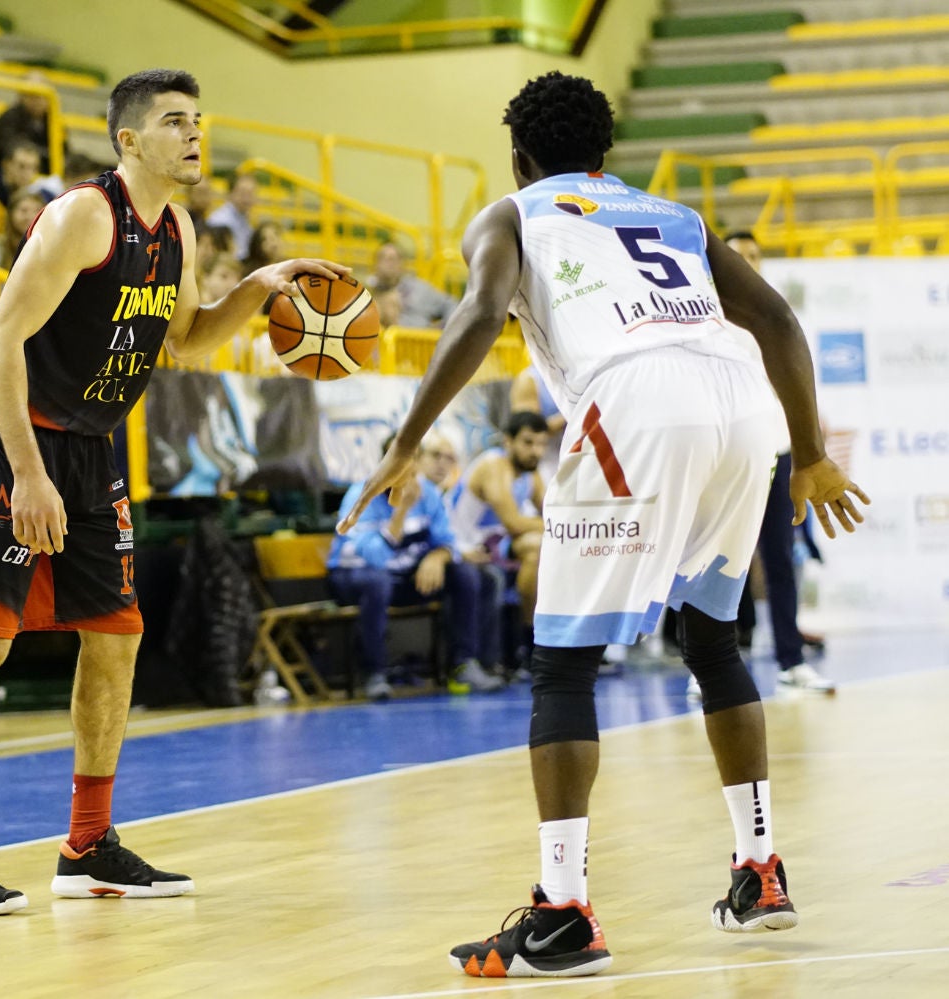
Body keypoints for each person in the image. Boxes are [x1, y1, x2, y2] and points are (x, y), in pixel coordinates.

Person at [340, 71, 868, 978]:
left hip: (633, 401)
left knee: (563, 662)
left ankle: (563, 913)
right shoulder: (675, 216)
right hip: (741, 405)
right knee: (714, 640)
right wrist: (811, 453)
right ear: (606, 151)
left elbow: (473, 315)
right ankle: (760, 872)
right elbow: (777, 317)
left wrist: (405, 439)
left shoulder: (509, 215)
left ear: (519, 155)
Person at [0, 67, 347, 916]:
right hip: (18, 440)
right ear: (128, 141)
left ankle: (87, 845)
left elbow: (185, 341)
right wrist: (28, 472)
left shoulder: (177, 227)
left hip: (92, 448)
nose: (195, 135)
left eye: (199, 120)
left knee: (116, 637)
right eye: (176, 121)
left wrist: (256, 290)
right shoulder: (84, 215)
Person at [723, 230, 832, 693]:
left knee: (780, 558)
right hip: (726, 455)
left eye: (754, 255)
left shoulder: (775, 317)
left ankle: (791, 661)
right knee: (715, 561)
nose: (747, 261)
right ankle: (711, 665)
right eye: (737, 255)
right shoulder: (702, 316)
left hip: (779, 455)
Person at [327, 438, 476, 701]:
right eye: (398, 462)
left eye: (412, 460)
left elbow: (448, 542)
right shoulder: (362, 494)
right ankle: (375, 673)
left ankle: (463, 665)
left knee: (465, 574)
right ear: (386, 464)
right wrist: (402, 510)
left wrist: (437, 558)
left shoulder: (428, 494)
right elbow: (376, 558)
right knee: (377, 582)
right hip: (352, 578)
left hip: (400, 578)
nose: (405, 468)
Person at [447, 412, 549, 676]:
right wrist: (559, 525)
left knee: (552, 545)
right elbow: (514, 523)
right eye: (528, 443)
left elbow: (551, 515)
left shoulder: (530, 474)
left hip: (493, 546)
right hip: (462, 547)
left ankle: (555, 642)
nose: (535, 451)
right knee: (536, 545)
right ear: (507, 441)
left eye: (540, 444)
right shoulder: (493, 465)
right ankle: (530, 644)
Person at [367, 240, 457, 329]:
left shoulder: (420, 289)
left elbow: (451, 305)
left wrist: (443, 330)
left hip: (423, 339)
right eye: (384, 257)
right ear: (375, 264)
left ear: (402, 264)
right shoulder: (366, 293)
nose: (390, 262)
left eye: (395, 258)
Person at [0, 72, 61, 174]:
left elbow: (64, 151)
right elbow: (11, 150)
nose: (38, 101)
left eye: (42, 96)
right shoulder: (9, 118)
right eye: (32, 95)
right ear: (21, 96)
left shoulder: (54, 120)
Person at [0, 189, 44, 272]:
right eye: (23, 211)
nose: (30, 217)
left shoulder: (47, 249)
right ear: (10, 214)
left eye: (36, 211)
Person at [206, 173, 257, 260]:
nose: (247, 199)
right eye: (243, 193)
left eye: (250, 194)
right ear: (230, 193)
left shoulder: (245, 217)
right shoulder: (219, 220)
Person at [0, 141, 42, 207]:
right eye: (21, 166)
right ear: (6, 165)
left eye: (33, 168)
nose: (27, 173)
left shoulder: (41, 195)